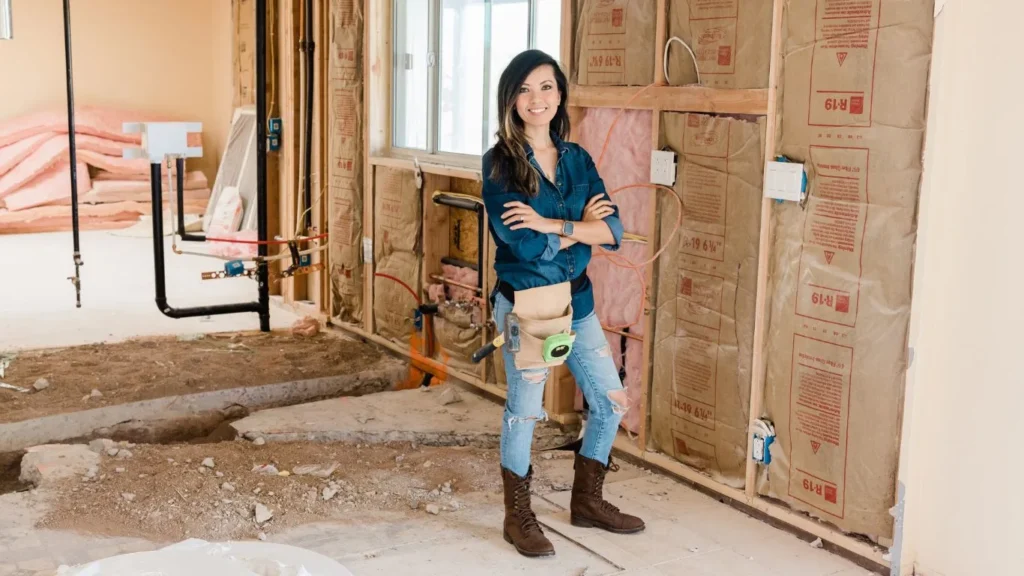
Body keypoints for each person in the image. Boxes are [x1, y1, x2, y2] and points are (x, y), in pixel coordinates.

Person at [482, 49, 645, 558]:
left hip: (578, 302)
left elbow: (615, 231)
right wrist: (582, 231)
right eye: (526, 89)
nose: (538, 98)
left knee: (610, 402)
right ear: (511, 99)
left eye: (547, 87)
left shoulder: (577, 159)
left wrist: (553, 226)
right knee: (525, 413)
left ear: (560, 95)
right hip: (528, 306)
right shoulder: (500, 164)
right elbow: (521, 245)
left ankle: (587, 501)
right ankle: (517, 516)